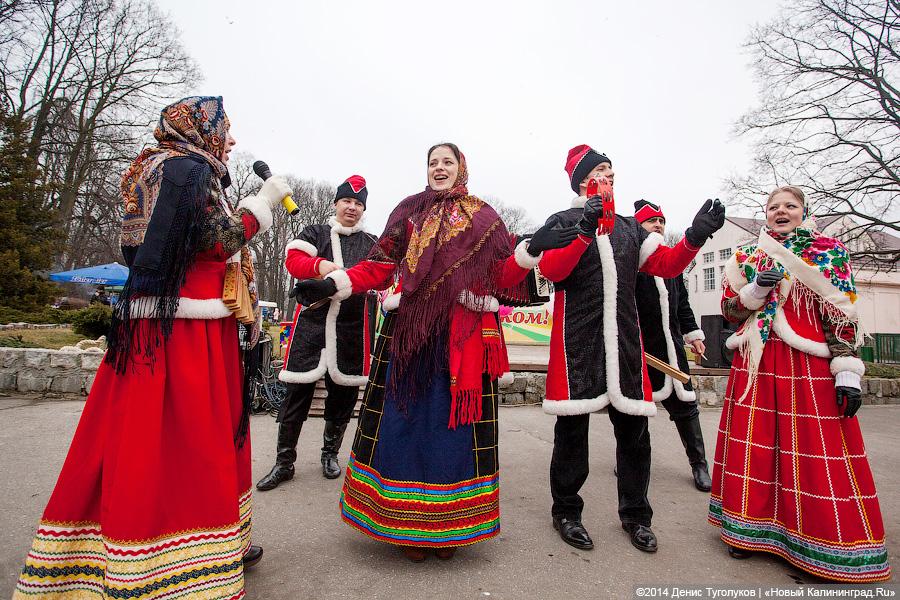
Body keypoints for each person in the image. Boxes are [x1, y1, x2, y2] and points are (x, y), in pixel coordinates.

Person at [13, 96, 292, 599]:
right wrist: (262, 205)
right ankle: (170, 560)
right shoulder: (187, 170)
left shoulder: (158, 166)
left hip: (159, 321)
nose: (230, 140)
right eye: (225, 129)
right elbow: (216, 241)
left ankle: (206, 542)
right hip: (184, 329)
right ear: (201, 130)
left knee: (143, 434)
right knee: (189, 439)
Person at [293, 142, 578, 562]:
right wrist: (334, 283)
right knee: (403, 426)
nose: (439, 168)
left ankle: (449, 528)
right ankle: (404, 526)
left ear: (461, 167)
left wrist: (530, 251)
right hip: (410, 334)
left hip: (461, 336)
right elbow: (381, 266)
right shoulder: (409, 211)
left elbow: (502, 276)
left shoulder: (485, 217)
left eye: (447, 161)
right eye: (432, 162)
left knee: (453, 431)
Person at [540, 145, 724, 553]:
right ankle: (566, 512)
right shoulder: (563, 221)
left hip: (624, 344)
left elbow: (668, 265)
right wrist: (583, 230)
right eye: (600, 170)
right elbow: (552, 270)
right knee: (571, 436)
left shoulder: (629, 228)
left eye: (611, 170)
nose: (608, 176)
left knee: (635, 438)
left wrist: (695, 236)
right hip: (577, 345)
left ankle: (637, 517)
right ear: (582, 180)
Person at [709, 186, 890, 582]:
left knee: (812, 448)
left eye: (789, 206)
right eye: (773, 207)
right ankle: (747, 530)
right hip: (757, 360)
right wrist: (757, 289)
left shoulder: (827, 251)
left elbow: (842, 313)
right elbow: (730, 310)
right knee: (754, 445)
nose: (781, 212)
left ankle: (819, 540)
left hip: (806, 363)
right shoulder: (747, 255)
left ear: (803, 211)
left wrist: (846, 371)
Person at [257, 175, 378, 489]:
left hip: (351, 330)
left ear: (363, 209)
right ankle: (284, 463)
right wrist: (321, 267)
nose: (351, 207)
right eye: (346, 201)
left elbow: (380, 276)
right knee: (296, 397)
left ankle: (330, 454)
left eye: (358, 203)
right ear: (336, 203)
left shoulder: (371, 243)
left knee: (343, 397)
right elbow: (294, 261)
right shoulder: (315, 233)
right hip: (311, 328)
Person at [633, 200, 711, 491]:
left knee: (686, 407)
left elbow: (683, 306)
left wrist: (694, 335)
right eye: (651, 221)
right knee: (636, 411)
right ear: (638, 228)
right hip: (640, 350)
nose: (658, 225)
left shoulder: (673, 263)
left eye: (662, 221)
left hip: (672, 350)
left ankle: (699, 464)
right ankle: (632, 461)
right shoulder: (631, 263)